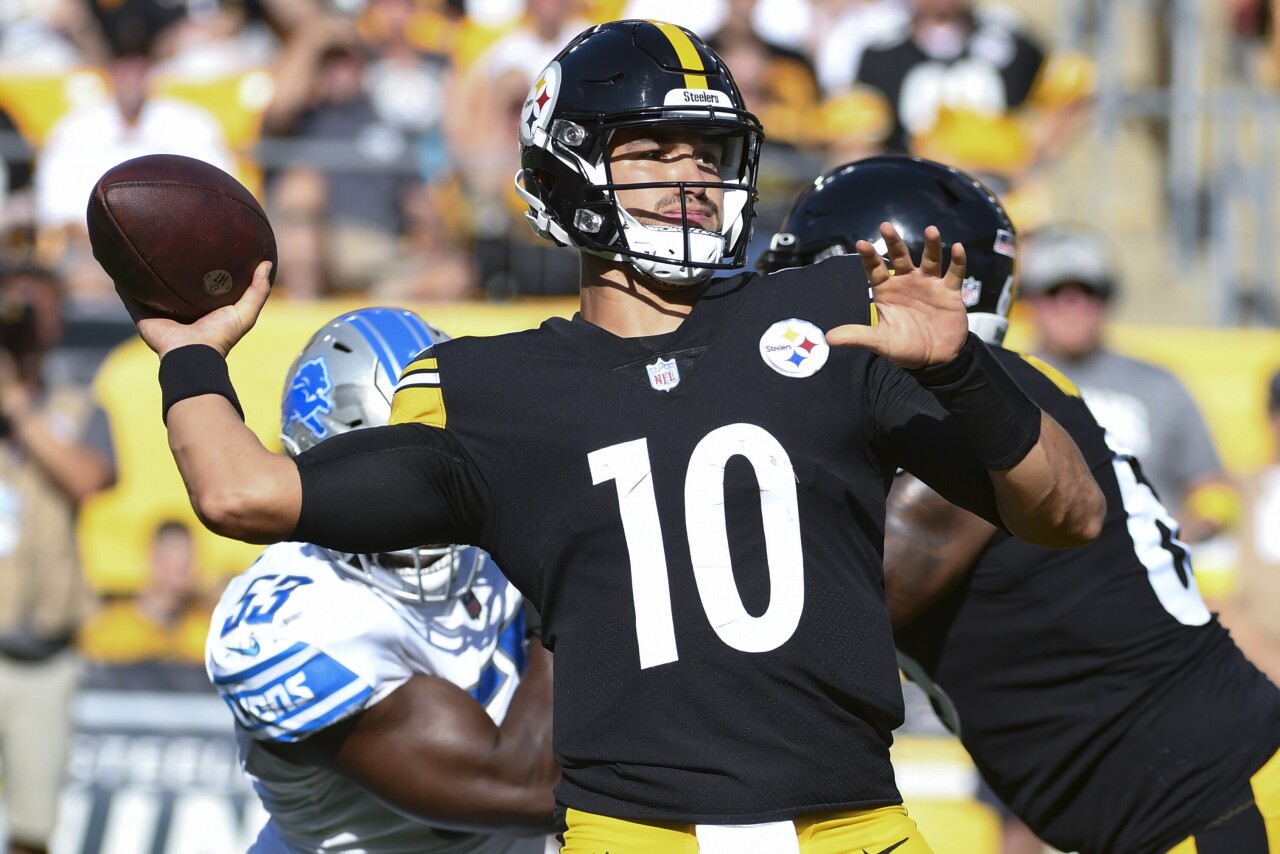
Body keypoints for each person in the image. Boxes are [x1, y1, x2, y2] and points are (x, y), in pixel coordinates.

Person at [120, 20, 1104, 853]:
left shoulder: (822, 315)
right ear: (570, 165)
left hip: (851, 823)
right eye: (652, 149)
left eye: (707, 154)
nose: (688, 179)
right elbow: (242, 493)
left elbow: (1065, 513)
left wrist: (964, 372)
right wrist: (191, 354)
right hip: (631, 834)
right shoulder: (488, 386)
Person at [757, 154, 1280, 854]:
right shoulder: (984, 395)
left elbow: (830, 602)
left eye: (809, 277)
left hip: (1213, 807)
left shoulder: (962, 413)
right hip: (1176, 807)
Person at [206, 306, 557, 853]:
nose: (427, 498)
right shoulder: (288, 621)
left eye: (446, 461)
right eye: (399, 475)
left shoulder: (498, 534)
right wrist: (566, 575)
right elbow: (526, 786)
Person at [1019, 224, 1240, 545]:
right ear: (1030, 300)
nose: (1072, 305)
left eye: (1088, 290)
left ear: (1107, 297)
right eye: (1054, 292)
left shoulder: (1160, 385)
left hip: (1141, 569)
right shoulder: (1009, 380)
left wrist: (1183, 532)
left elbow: (1212, 486)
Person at [0, 260, 116, 854]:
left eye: (39, 306)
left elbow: (88, 478)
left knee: (31, 828)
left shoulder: (76, 407)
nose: (25, 318)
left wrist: (19, 406)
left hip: (41, 652)